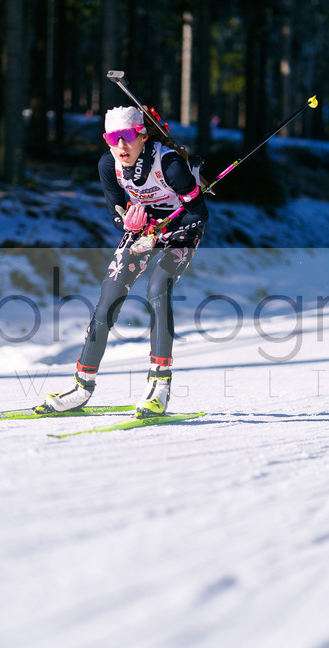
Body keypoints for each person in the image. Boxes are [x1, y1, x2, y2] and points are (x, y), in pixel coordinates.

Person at [38, 105, 209, 418]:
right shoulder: (109, 165)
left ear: (142, 135)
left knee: (158, 288)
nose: (121, 146)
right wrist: (128, 225)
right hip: (143, 231)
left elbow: (199, 213)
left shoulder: (169, 165)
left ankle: (159, 387)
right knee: (109, 298)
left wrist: (164, 227)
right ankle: (82, 386)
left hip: (182, 229)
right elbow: (116, 215)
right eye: (112, 138)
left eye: (128, 136)